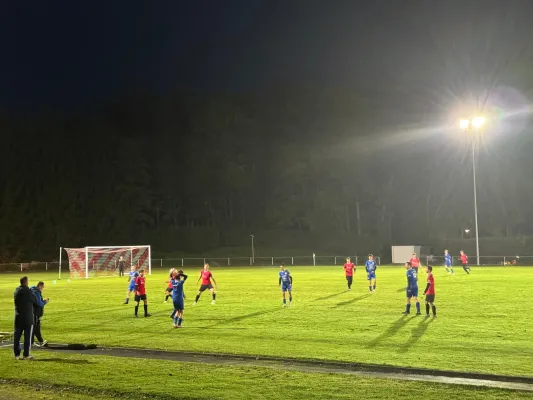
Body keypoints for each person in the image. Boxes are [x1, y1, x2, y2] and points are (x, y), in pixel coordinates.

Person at [13, 276, 39, 360]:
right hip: (27, 318)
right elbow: (35, 300)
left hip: (18, 317)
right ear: (26, 282)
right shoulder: (28, 291)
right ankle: (26, 354)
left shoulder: (16, 291)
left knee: (17, 337)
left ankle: (17, 355)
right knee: (27, 337)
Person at [30, 281, 49, 347]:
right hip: (35, 312)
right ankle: (40, 341)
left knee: (33, 327)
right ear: (40, 286)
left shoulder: (32, 290)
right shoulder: (36, 292)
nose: (43, 288)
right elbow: (38, 303)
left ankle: (32, 342)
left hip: (32, 312)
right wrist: (45, 302)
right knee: (36, 328)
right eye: (43, 287)